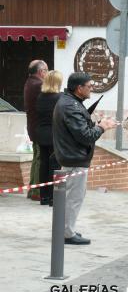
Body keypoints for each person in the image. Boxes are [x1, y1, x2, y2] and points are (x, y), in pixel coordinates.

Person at [52, 72, 117, 245]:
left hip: (72, 156)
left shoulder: (71, 102)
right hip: (74, 157)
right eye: (89, 86)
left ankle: (66, 229)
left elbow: (80, 129)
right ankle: (66, 233)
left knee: (73, 197)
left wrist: (96, 122)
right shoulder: (71, 105)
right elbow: (85, 136)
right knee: (74, 198)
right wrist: (102, 127)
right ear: (79, 88)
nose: (92, 89)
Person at [35, 70, 63, 206]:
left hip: (41, 134)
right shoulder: (59, 97)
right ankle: (53, 197)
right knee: (54, 165)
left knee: (43, 164)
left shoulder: (40, 96)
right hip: (54, 135)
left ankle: (44, 197)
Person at [24, 59, 48, 201]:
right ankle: (36, 191)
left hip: (33, 127)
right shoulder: (39, 84)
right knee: (39, 159)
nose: (47, 73)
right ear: (41, 72)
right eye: (46, 71)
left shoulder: (29, 82)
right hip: (40, 128)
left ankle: (32, 188)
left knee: (36, 158)